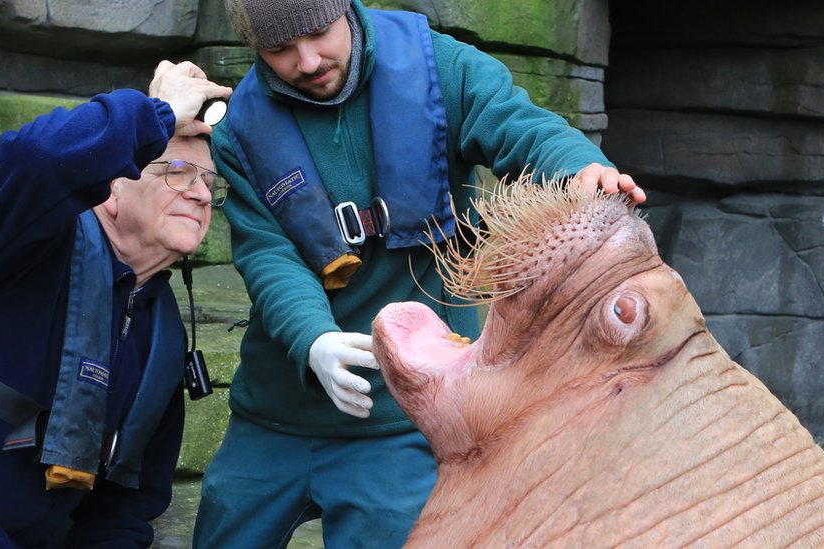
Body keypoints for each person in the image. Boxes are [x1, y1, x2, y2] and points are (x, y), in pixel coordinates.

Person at [193, 0, 648, 547]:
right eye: (280, 49)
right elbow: (268, 254)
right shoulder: (240, 127)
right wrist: (314, 339)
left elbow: (523, 130)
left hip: (403, 416)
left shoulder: (441, 68)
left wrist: (581, 169)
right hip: (275, 413)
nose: (308, 61)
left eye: (317, 33)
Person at [0, 61, 231, 547]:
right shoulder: (25, 242)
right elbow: (33, 157)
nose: (201, 193)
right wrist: (155, 114)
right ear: (113, 186)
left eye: (208, 181)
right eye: (178, 171)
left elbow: (125, 505)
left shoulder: (161, 335)